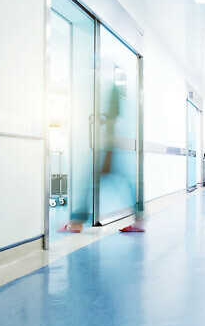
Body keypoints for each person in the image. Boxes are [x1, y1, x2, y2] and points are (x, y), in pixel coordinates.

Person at [59, 79, 145, 233]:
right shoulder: (114, 101)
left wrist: (108, 150)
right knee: (126, 182)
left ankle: (77, 222)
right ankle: (139, 217)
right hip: (111, 147)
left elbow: (111, 121)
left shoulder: (111, 97)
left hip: (109, 148)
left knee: (89, 180)